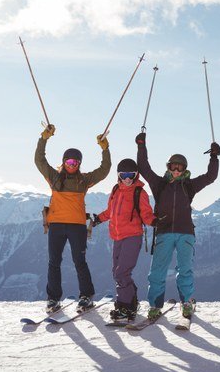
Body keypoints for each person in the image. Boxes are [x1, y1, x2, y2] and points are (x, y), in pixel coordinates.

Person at [135, 132, 220, 320]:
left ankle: (187, 303)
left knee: (185, 270)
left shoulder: (189, 186)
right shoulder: (159, 184)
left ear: (184, 169)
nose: (176, 170)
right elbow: (143, 167)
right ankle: (155, 306)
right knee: (157, 271)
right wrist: (141, 145)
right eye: (174, 166)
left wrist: (214, 157)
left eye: (180, 168)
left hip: (185, 233)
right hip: (164, 232)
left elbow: (210, 176)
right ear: (169, 167)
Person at [35, 124, 111, 312]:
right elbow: (39, 160)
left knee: (79, 261)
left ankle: (86, 296)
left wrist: (105, 149)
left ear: (79, 164)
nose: (72, 165)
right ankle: (53, 299)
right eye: (69, 163)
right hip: (57, 225)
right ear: (64, 162)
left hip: (76, 226)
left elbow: (105, 169)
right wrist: (43, 138)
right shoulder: (53, 177)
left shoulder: (84, 180)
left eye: (75, 163)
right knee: (54, 262)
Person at [93, 158, 157, 322]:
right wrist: (98, 219)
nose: (128, 179)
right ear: (119, 176)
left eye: (131, 175)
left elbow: (146, 214)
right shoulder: (116, 190)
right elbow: (111, 211)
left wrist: (156, 221)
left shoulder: (139, 193)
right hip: (117, 236)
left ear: (136, 175)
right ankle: (130, 301)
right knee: (117, 272)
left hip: (132, 236)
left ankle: (125, 306)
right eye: (124, 175)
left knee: (122, 272)